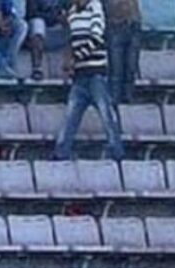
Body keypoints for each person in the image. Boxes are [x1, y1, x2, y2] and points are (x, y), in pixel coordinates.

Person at [53, 0, 124, 162]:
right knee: (71, 116)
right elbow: (71, 40)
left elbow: (96, 36)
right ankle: (61, 151)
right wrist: (70, 60)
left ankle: (117, 151)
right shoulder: (72, 13)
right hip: (79, 75)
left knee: (106, 114)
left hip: (95, 74)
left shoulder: (95, 6)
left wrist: (77, 57)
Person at [104, 0, 139, 104]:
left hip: (133, 25)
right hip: (115, 25)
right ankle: (114, 99)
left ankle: (128, 97)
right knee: (116, 68)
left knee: (131, 67)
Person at [26, 0, 66, 80]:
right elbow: (32, 13)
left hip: (56, 28)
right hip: (38, 26)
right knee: (38, 24)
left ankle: (71, 67)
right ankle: (37, 68)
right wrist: (54, 17)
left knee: (74, 23)